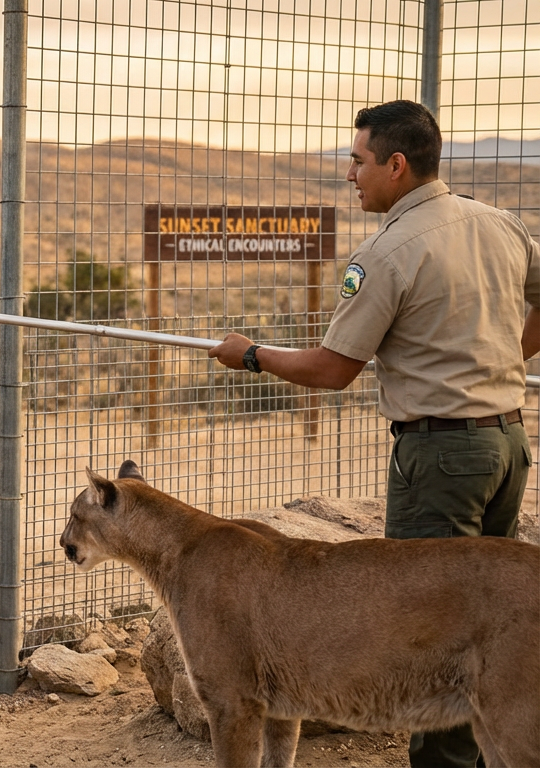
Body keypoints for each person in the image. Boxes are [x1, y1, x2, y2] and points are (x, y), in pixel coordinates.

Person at [209, 99, 540, 768]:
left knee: (429, 636)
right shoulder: (501, 224)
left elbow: (333, 370)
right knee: (490, 627)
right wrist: (504, 359)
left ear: (396, 165)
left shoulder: (387, 251)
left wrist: (252, 355)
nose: (349, 175)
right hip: (507, 445)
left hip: (440, 456)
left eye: (357, 161)